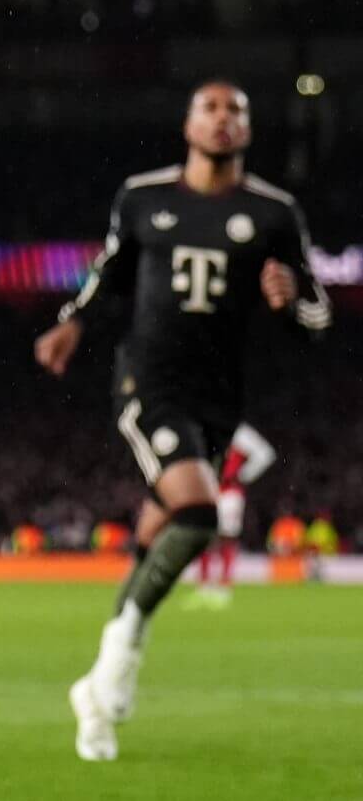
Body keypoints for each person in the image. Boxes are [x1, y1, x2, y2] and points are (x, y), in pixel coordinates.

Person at [35, 81, 332, 761]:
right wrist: (72, 322)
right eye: (212, 108)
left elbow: (319, 316)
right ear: (188, 123)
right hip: (149, 384)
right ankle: (116, 665)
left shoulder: (274, 213)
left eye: (237, 111)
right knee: (198, 513)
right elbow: (110, 270)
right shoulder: (144, 198)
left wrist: (291, 304)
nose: (224, 120)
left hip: (219, 398)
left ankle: (96, 695)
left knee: (157, 534)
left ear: (249, 131)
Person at [191, 424, 277, 608]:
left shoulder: (241, 432)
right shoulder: (205, 428)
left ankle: (224, 586)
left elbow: (266, 454)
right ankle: (204, 585)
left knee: (226, 537)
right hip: (208, 490)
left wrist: (243, 474)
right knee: (205, 536)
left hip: (230, 493)